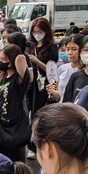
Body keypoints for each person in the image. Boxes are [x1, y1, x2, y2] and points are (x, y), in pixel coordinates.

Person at [27, 17, 58, 153]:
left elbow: (52, 70)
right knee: (29, 112)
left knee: (39, 114)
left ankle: (37, 144)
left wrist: (37, 61)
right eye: (35, 31)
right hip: (30, 84)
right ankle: (31, 142)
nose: (37, 34)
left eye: (40, 31)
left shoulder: (51, 47)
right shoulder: (30, 45)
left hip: (44, 84)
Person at [48, 33, 83, 103]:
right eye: (67, 49)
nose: (70, 52)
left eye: (74, 49)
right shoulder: (62, 68)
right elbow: (60, 95)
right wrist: (52, 91)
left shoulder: (86, 70)